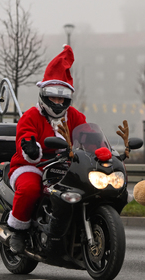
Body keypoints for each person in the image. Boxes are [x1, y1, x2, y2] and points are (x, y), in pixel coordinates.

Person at [7, 45, 86, 253]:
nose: (58, 102)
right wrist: (30, 147)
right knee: (30, 189)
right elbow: (25, 135)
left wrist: (101, 152)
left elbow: (87, 136)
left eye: (62, 98)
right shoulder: (32, 115)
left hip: (63, 168)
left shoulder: (75, 116)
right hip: (31, 166)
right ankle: (19, 231)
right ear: (44, 95)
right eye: (53, 97)